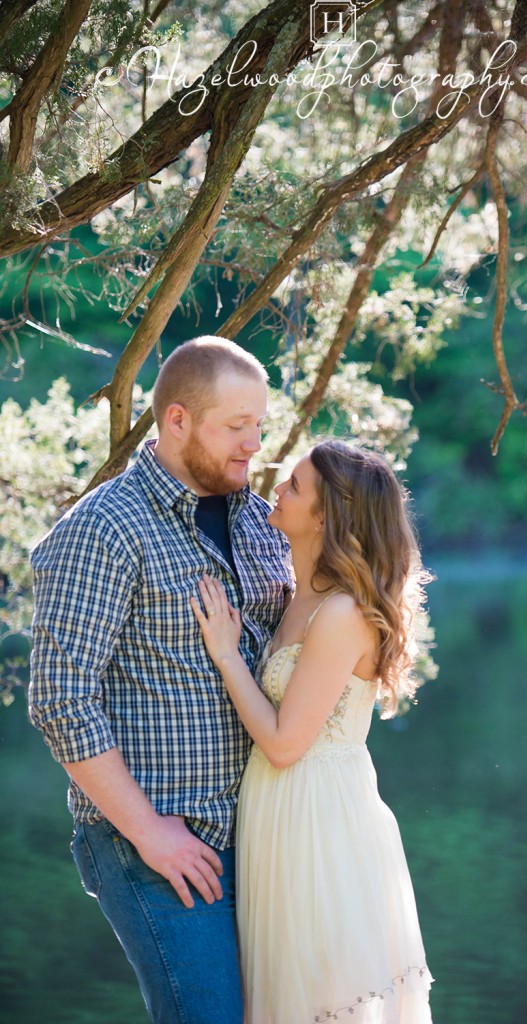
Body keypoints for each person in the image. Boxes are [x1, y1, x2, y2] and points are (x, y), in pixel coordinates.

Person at [28, 336, 293, 1024]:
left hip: (264, 840)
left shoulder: (265, 523)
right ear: (176, 420)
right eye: (237, 427)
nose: (253, 444)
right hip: (157, 846)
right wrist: (148, 830)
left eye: (258, 426)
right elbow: (61, 699)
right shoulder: (103, 528)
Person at [191, 439, 434, 1024]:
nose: (278, 487)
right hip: (280, 811)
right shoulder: (301, 596)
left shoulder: (344, 613)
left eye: (294, 485)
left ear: (325, 516)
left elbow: (283, 743)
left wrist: (226, 655)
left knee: (319, 994)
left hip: (318, 820)